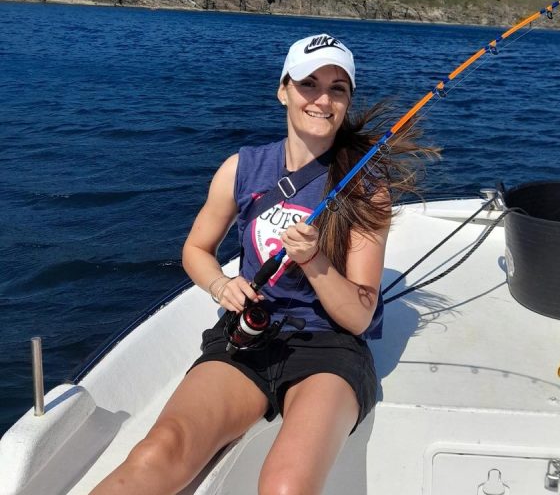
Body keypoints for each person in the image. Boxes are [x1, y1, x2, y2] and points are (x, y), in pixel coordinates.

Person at [91, 33, 436, 494]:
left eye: (338, 88)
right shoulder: (242, 168)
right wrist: (219, 286)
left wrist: (314, 261)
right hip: (248, 334)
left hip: (329, 349)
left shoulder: (365, 187)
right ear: (283, 91)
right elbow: (196, 250)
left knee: (285, 486)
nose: (322, 99)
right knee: (159, 451)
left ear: (348, 101)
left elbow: (358, 315)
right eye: (308, 83)